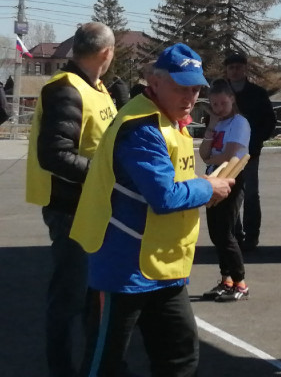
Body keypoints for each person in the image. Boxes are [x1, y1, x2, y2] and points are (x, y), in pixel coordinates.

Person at [69, 43, 235, 376]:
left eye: (195, 89)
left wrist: (202, 188)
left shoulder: (172, 122)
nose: (189, 97)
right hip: (123, 268)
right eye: (180, 87)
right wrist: (208, 188)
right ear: (155, 83)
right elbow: (164, 196)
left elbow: (172, 184)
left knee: (180, 357)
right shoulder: (142, 127)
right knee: (106, 364)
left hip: (163, 266)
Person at [25, 22, 117, 377]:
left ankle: (96, 366)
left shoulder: (97, 88)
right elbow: (55, 155)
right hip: (71, 210)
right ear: (106, 52)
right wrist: (104, 175)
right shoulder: (65, 89)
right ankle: (62, 369)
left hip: (92, 207)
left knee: (94, 298)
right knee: (69, 299)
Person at [199, 79, 251, 301]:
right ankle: (226, 279)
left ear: (232, 99)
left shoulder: (239, 122)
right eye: (214, 104)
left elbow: (230, 155)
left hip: (231, 178)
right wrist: (211, 125)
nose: (219, 108)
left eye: (223, 103)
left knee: (225, 232)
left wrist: (211, 158)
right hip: (214, 178)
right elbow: (203, 153)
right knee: (215, 233)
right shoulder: (218, 124)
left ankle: (240, 283)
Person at [224, 50, 276, 250]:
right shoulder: (221, 92)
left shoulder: (257, 93)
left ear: (245, 69)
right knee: (229, 194)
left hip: (250, 153)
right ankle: (234, 235)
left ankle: (252, 236)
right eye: (231, 67)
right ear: (226, 70)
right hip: (226, 154)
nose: (235, 71)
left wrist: (257, 141)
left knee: (251, 194)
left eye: (238, 67)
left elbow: (269, 121)